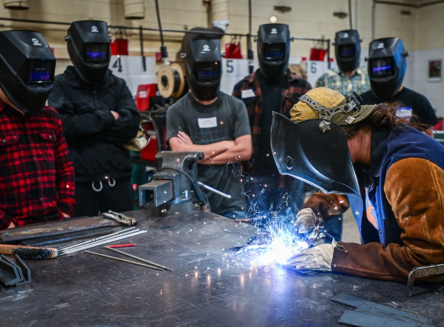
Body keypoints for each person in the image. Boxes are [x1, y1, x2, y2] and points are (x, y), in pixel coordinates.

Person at [271, 87, 444, 282]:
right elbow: (342, 192)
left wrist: (338, 257)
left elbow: (428, 260)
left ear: (338, 136)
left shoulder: (408, 167)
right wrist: (313, 211)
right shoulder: (361, 151)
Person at [49, 20, 140, 217]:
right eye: (91, 51)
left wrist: (85, 125)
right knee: (80, 243)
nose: (96, 56)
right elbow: (64, 128)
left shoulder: (118, 85)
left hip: (119, 184)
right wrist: (107, 116)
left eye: (100, 50)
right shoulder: (60, 85)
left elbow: (131, 126)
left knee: (127, 241)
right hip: (79, 186)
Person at [167, 32, 252, 218]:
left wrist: (197, 155)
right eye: (202, 71)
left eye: (211, 70)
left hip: (232, 204)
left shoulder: (236, 106)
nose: (207, 77)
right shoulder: (176, 111)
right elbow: (179, 155)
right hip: (191, 204)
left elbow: (245, 151)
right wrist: (226, 145)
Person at [232, 23, 311, 216]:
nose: (274, 56)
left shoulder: (303, 88)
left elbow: (310, 135)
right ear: (260, 49)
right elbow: (234, 135)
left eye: (278, 51)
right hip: (254, 174)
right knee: (255, 233)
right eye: (269, 51)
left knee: (290, 234)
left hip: (291, 177)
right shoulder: (242, 88)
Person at [0, 30, 75, 230]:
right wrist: (6, 224)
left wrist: (65, 209)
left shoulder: (50, 117)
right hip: (9, 234)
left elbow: (65, 168)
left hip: (54, 226)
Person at [360, 37, 438, 137]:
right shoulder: (362, 102)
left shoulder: (418, 101)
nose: (382, 70)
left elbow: (429, 137)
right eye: (377, 65)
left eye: (387, 65)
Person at [316, 30, 370, 96]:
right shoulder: (325, 78)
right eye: (343, 50)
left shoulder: (370, 76)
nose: (346, 53)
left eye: (349, 50)